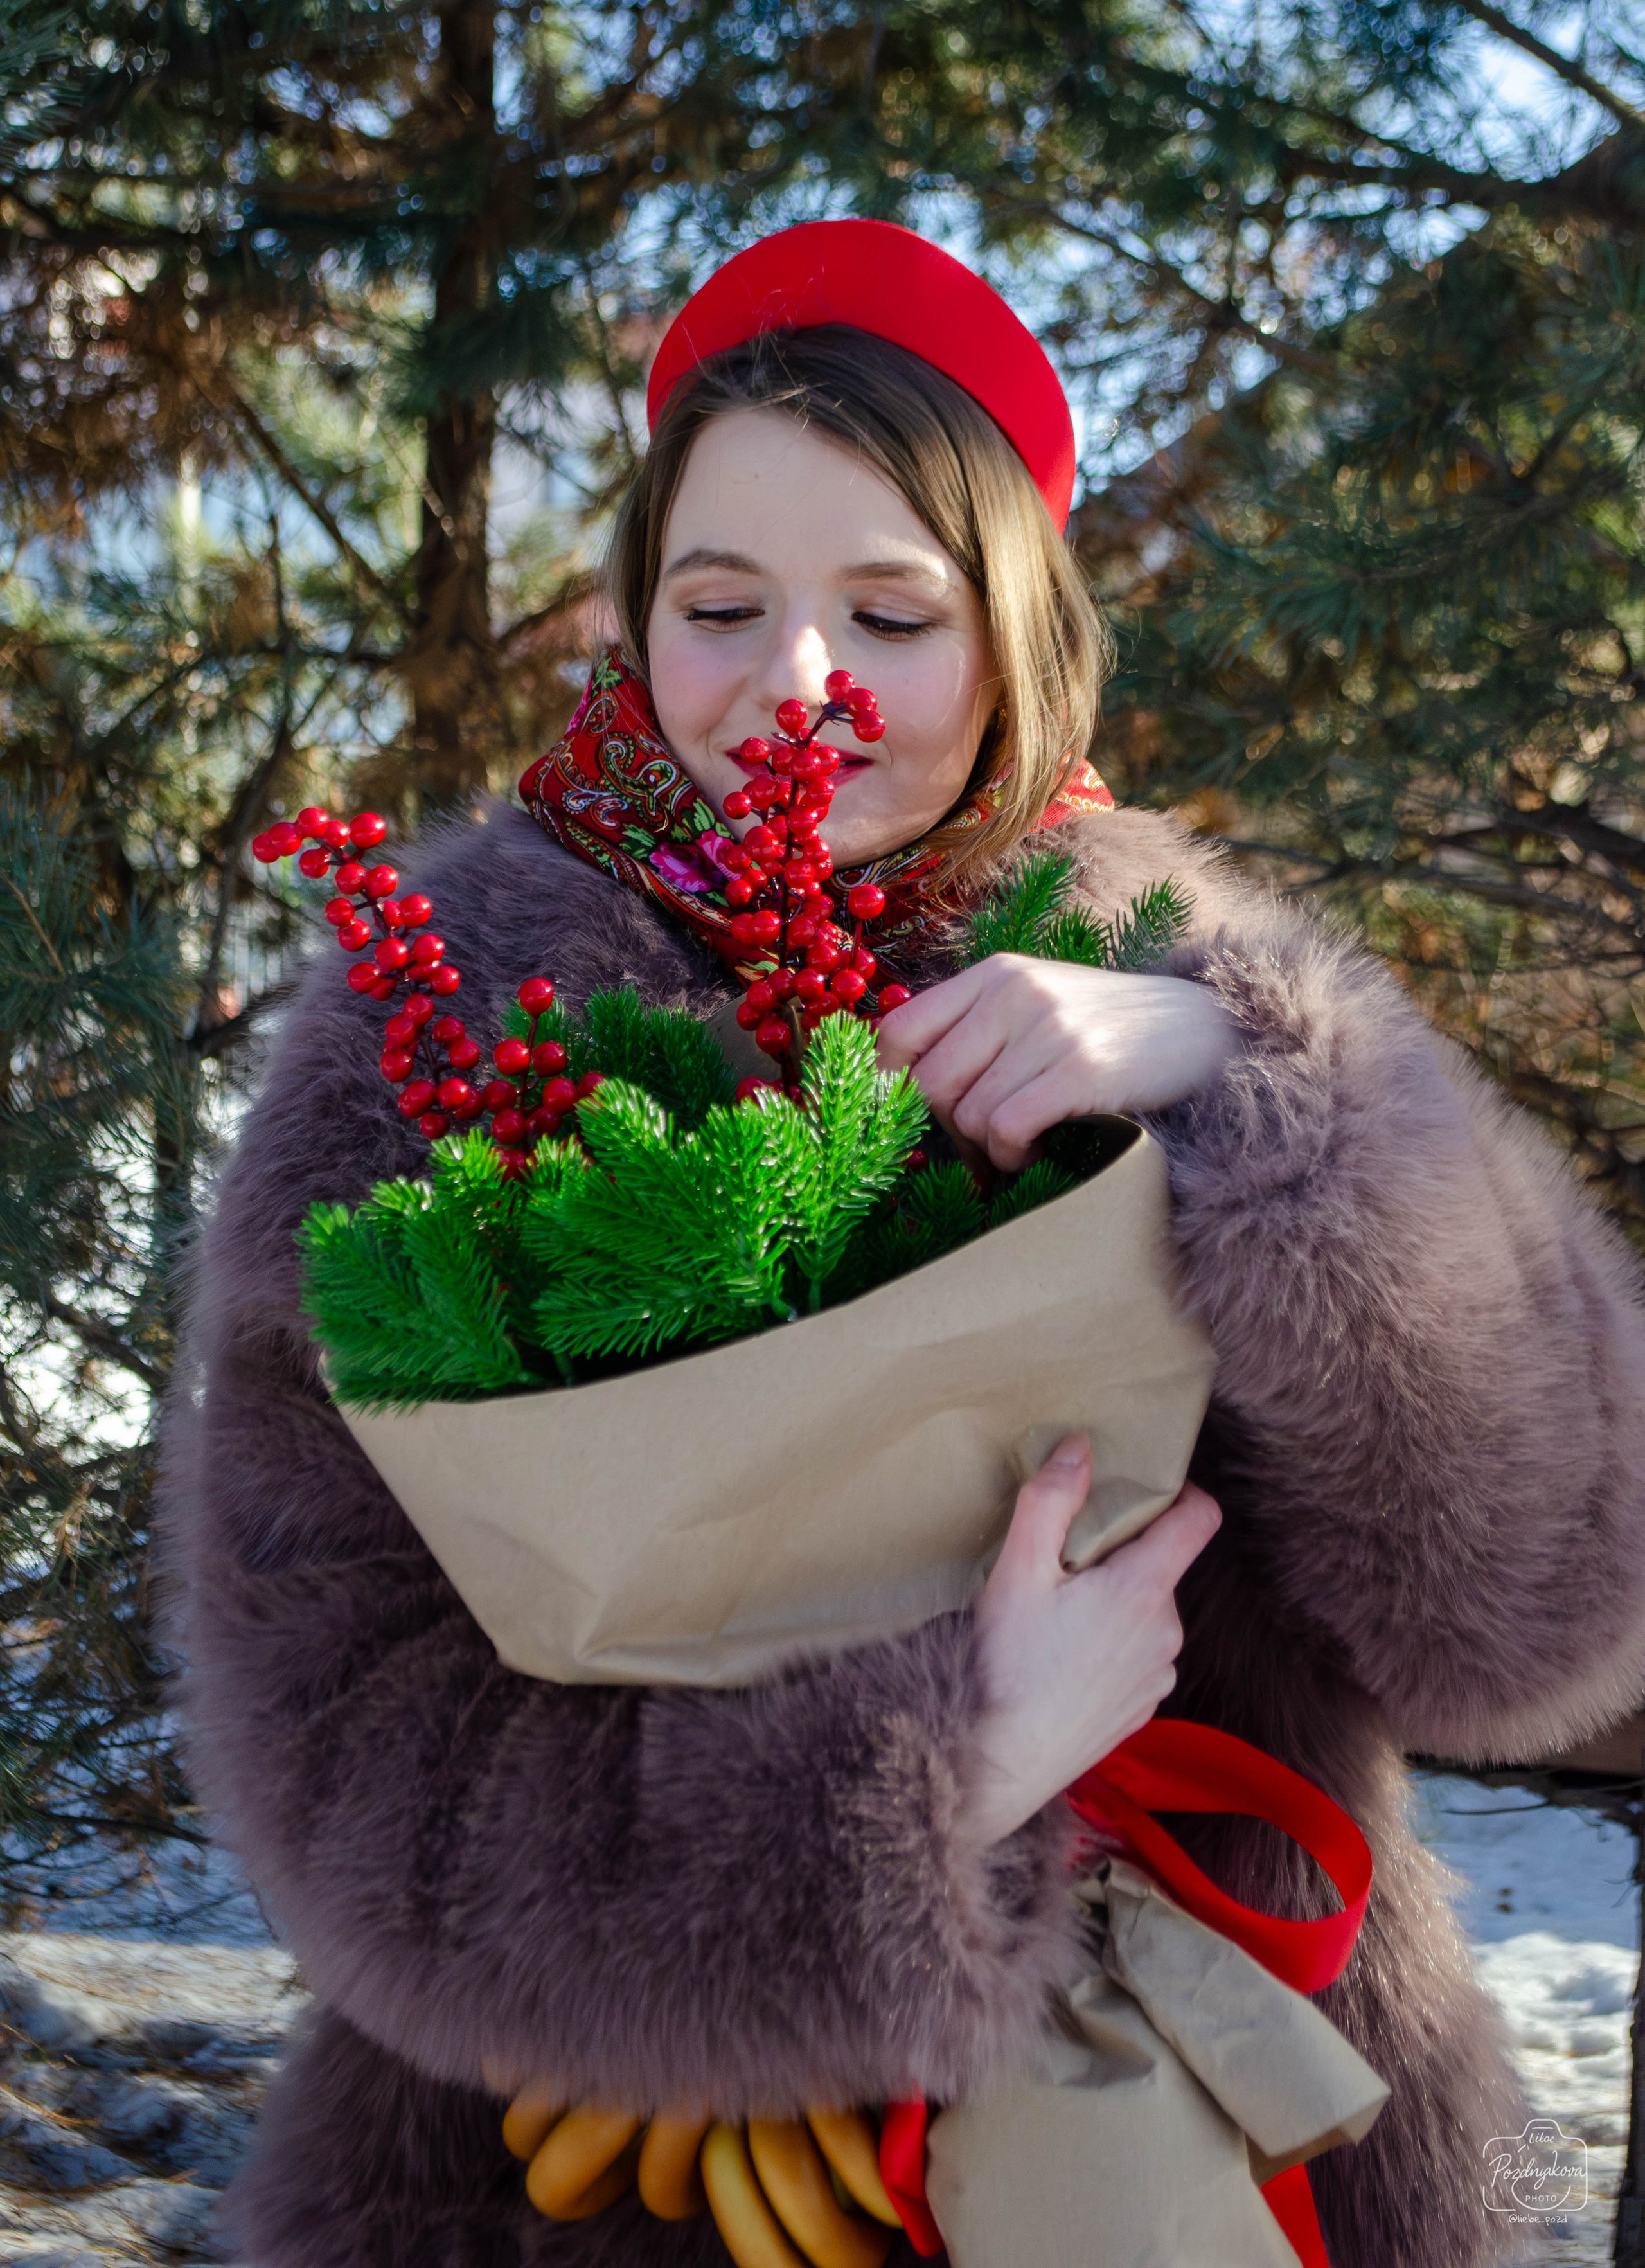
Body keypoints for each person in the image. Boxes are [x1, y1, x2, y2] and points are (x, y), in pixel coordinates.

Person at [161, 219, 1645, 2268]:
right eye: (719, 601)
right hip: (587, 2183)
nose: (799, 682)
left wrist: (1257, 1080)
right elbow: (344, 1758)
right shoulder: (426, 1049)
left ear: (1019, 634)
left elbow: (1542, 1604)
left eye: (891, 608)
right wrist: (949, 1762)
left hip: (1234, 2134)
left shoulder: (1192, 983)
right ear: (632, 618)